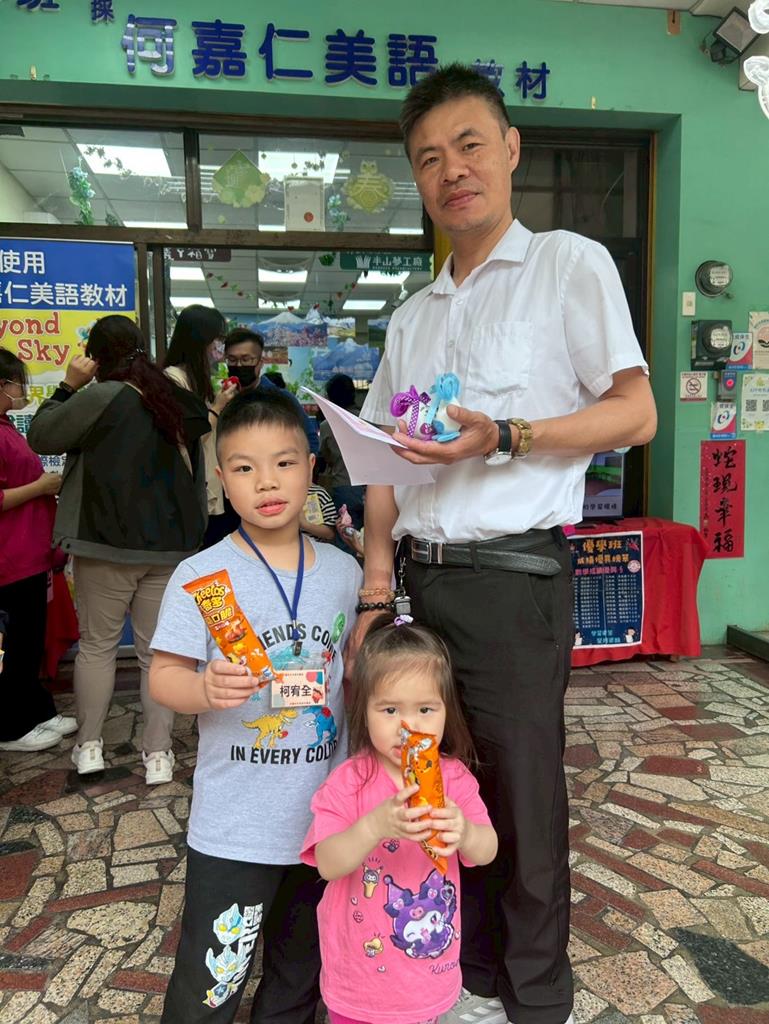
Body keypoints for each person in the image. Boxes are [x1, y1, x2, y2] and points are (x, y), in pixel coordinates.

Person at [352, 65, 657, 1024]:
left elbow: (635, 412)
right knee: (441, 787)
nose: (451, 171)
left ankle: (533, 996)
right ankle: (467, 974)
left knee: (521, 800)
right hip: (422, 585)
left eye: (469, 145)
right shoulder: (413, 315)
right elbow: (379, 462)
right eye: (428, 159)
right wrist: (374, 583)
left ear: (511, 148)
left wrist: (509, 435)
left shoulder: (568, 264)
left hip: (514, 579)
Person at [148, 389, 362, 1024]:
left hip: (324, 823)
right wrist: (202, 690)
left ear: (311, 468)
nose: (266, 482)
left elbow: (351, 674)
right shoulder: (200, 576)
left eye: (284, 463)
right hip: (235, 825)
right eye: (244, 468)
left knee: (300, 971)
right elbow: (163, 676)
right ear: (221, 478)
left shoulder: (343, 573)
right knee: (213, 979)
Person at [27, 315, 210, 784]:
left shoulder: (101, 397)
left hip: (103, 545)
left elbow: (42, 435)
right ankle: (159, 755)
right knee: (157, 655)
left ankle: (90, 747)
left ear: (96, 357)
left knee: (97, 648)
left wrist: (67, 386)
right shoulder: (174, 399)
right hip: (168, 549)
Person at [301, 614, 497, 1024]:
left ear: (447, 711)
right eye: (390, 709)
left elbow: (487, 850)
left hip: (428, 976)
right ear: (364, 710)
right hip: (358, 982)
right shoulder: (349, 782)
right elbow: (327, 864)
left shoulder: (454, 779)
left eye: (426, 709)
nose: (409, 726)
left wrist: (465, 833)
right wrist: (373, 826)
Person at [0, 348, 76, 752]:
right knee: (16, 644)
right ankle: (12, 727)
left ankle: (37, 710)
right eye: (15, 382)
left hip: (29, 554)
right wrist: (40, 487)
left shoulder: (6, 426)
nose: (20, 390)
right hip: (9, 557)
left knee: (30, 641)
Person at [163, 304, 238, 547]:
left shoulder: (196, 378)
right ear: (201, 339)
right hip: (192, 486)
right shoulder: (173, 378)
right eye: (217, 338)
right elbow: (189, 434)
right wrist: (217, 407)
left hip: (208, 480)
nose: (219, 346)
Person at [224, 327, 319, 453]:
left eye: (246, 359)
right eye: (232, 360)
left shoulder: (281, 400)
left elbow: (311, 440)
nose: (238, 365)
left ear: (260, 363)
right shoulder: (224, 400)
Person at [319, 374, 365, 538]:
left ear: (330, 398)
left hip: (344, 487)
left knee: (345, 538)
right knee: (372, 538)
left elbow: (326, 457)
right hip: (372, 488)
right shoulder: (368, 422)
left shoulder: (327, 426)